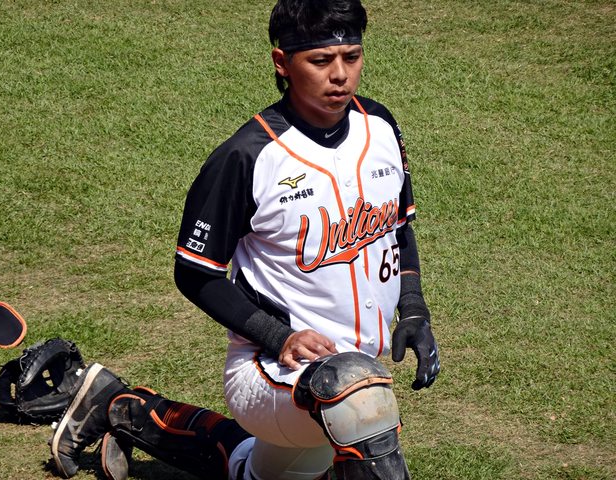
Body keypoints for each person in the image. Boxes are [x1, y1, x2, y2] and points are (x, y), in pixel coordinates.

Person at [49, 1, 440, 479]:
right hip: (271, 368)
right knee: (358, 400)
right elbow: (195, 272)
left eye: (352, 57)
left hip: (352, 372)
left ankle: (121, 406)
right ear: (282, 63)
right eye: (320, 60)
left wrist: (414, 307)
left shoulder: (379, 126)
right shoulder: (249, 156)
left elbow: (398, 228)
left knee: (258, 469)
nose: (340, 75)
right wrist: (279, 337)